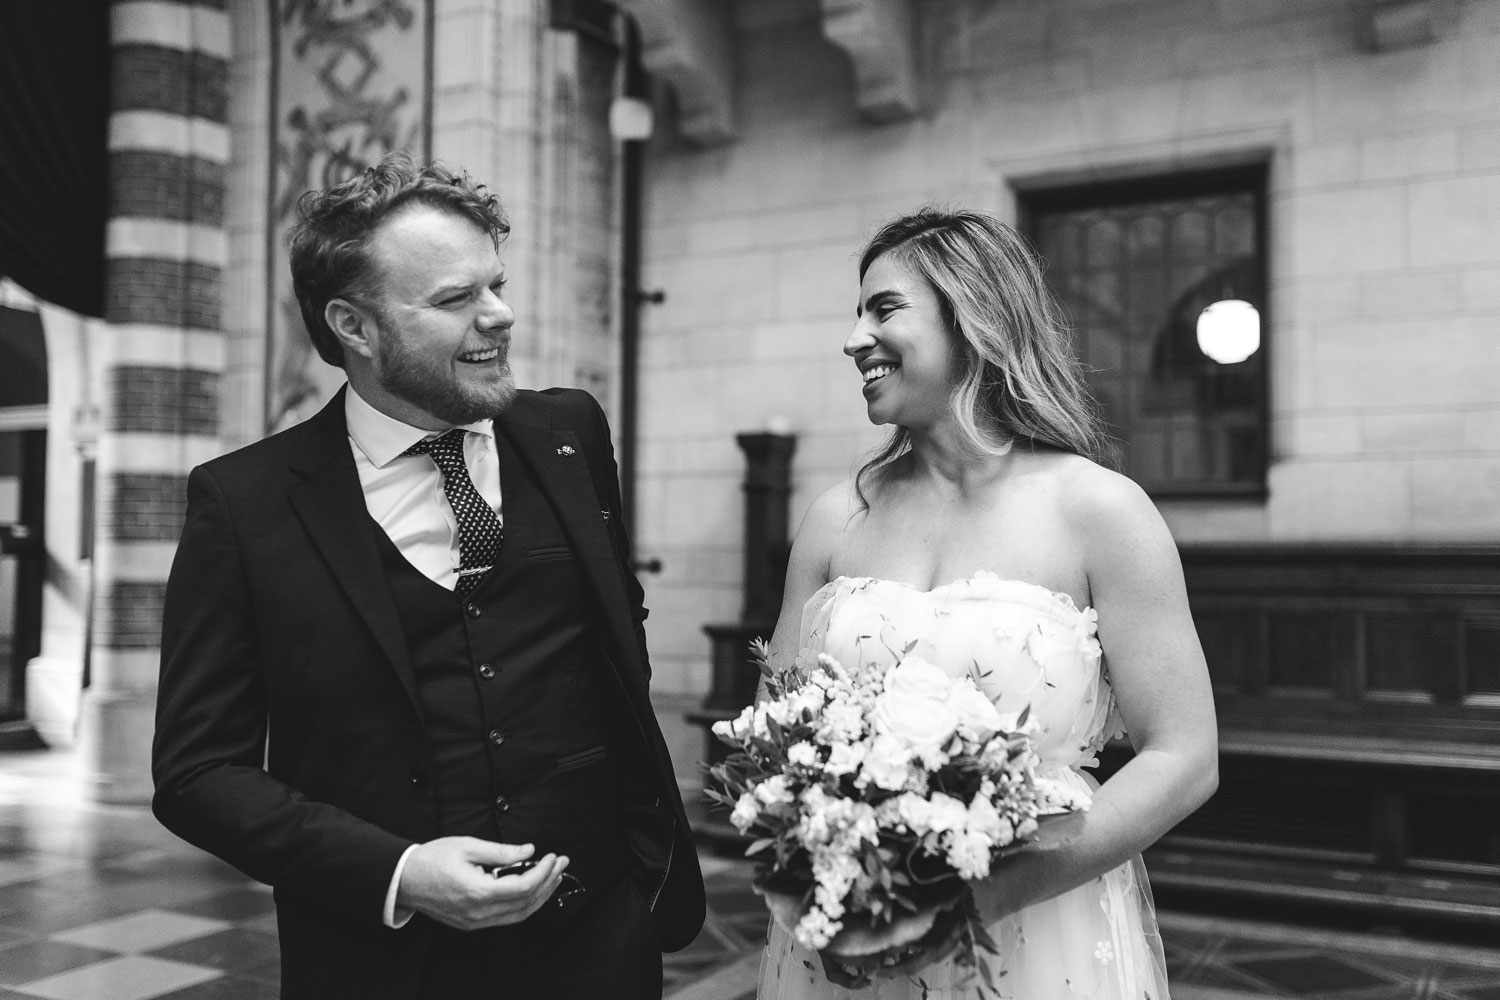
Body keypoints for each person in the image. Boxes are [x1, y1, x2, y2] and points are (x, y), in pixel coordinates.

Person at [152, 152, 704, 999]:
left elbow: (616, 644)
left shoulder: (571, 436)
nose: (501, 315)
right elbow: (197, 775)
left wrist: (636, 871)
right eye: (455, 300)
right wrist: (400, 872)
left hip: (600, 944)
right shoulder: (246, 505)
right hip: (386, 966)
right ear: (356, 327)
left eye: (495, 284)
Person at [756, 209, 1218, 999]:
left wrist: (990, 891)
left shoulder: (1100, 511)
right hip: (850, 926)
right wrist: (822, 869)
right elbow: (775, 736)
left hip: (1040, 931)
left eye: (884, 308)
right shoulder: (839, 516)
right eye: (855, 312)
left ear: (973, 314)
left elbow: (1184, 756)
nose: (854, 337)